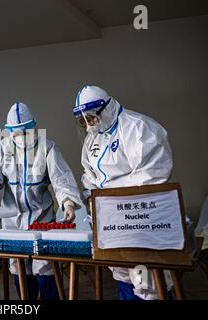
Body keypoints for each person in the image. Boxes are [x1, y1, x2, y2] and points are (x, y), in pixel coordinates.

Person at [73, 85, 174, 300]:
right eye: (84, 121)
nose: (89, 126)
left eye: (91, 118)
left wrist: (105, 194)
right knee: (121, 273)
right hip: (110, 221)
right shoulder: (94, 139)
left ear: (106, 108)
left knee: (146, 281)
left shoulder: (139, 128)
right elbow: (89, 175)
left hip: (140, 221)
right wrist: (92, 197)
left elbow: (153, 177)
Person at [0, 102, 82, 300]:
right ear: (9, 133)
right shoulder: (2, 150)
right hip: (13, 222)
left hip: (42, 219)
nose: (22, 138)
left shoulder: (47, 148)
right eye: (17, 134)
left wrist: (67, 203)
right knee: (19, 267)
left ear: (34, 127)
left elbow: (61, 179)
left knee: (45, 267)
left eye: (26, 132)